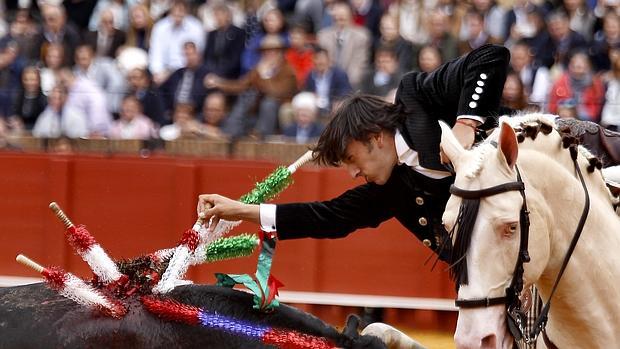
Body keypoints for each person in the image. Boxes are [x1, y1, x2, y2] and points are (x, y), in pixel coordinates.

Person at [196, 44, 510, 261]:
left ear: (375, 137)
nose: (353, 173)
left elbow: (491, 57)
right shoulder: (388, 188)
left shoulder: (418, 99)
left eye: (350, 159)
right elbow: (326, 217)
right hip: (500, 269)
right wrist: (238, 211)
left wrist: (466, 123)